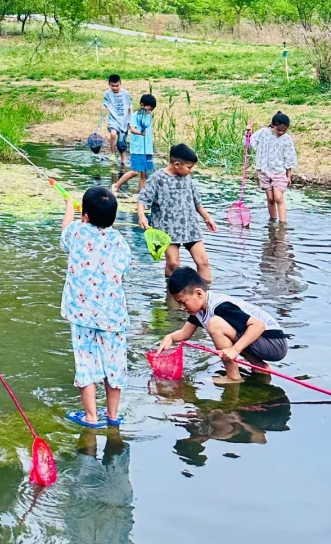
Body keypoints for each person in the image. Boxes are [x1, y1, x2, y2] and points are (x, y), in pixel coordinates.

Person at [61, 185, 132, 428]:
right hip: (113, 317)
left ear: (86, 216)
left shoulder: (77, 233)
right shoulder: (120, 242)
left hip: (82, 316)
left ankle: (91, 416)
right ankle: (112, 416)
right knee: (114, 365)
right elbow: (123, 271)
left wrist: (70, 205)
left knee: (86, 363)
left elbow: (64, 234)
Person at [156, 266, 288, 385]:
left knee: (215, 325)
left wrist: (234, 350)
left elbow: (258, 326)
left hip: (273, 342)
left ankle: (233, 377)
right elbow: (185, 333)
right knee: (220, 327)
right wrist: (170, 337)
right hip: (264, 341)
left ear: (199, 293)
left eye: (184, 302)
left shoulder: (220, 307)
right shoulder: (198, 310)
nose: (182, 307)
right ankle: (260, 367)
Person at [137, 143, 217, 283]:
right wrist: (141, 216)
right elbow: (142, 199)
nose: (191, 171)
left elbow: (196, 201)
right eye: (189, 167)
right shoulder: (157, 179)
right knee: (173, 264)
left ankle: (205, 295)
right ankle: (172, 296)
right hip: (167, 230)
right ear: (176, 164)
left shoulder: (187, 178)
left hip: (189, 227)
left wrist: (207, 217)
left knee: (203, 261)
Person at [249, 112, 297, 226]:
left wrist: (288, 175)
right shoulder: (263, 133)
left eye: (283, 131)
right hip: (264, 170)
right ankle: (273, 221)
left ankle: (282, 225)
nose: (281, 133)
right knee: (270, 199)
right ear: (272, 125)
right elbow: (250, 143)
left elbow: (289, 157)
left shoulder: (286, 139)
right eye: (278, 130)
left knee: (278, 197)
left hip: (279, 172)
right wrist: (248, 133)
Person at [115, 93, 156, 194]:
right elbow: (132, 129)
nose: (150, 111)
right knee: (135, 172)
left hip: (147, 149)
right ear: (142, 105)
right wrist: (140, 133)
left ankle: (140, 194)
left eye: (151, 110)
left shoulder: (149, 116)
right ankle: (116, 185)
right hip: (138, 149)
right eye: (148, 109)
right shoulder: (134, 116)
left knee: (145, 174)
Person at [103, 75, 132, 168]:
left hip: (124, 120)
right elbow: (105, 104)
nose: (115, 88)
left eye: (117, 86)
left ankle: (123, 159)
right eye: (112, 86)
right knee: (113, 134)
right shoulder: (107, 93)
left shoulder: (126, 93)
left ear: (120, 84)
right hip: (113, 119)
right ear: (109, 84)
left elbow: (130, 106)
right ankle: (112, 153)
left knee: (121, 142)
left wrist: (131, 119)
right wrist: (103, 108)